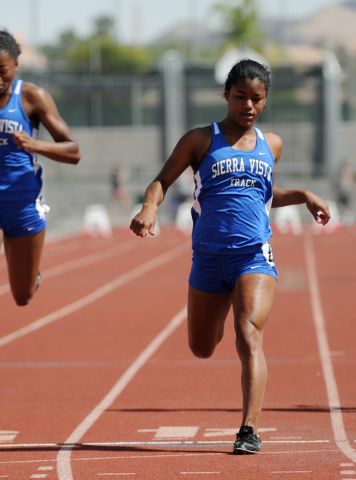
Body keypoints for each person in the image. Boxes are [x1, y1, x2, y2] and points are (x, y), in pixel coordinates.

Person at [130, 59, 330, 453]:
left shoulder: (271, 144)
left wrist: (304, 195)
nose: (248, 106)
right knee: (202, 346)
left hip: (253, 255)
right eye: (241, 97)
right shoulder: (200, 139)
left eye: (257, 99)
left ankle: (248, 430)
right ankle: (217, 315)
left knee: (248, 333)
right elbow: (162, 180)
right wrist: (149, 207)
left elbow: (263, 197)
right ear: (226, 95)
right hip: (207, 258)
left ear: (266, 100)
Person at [0, 31, 80, 306]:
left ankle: (31, 276)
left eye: (2, 71)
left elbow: (73, 151)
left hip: (22, 202)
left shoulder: (32, 97)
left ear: (16, 65)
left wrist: (34, 144)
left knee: (22, 295)